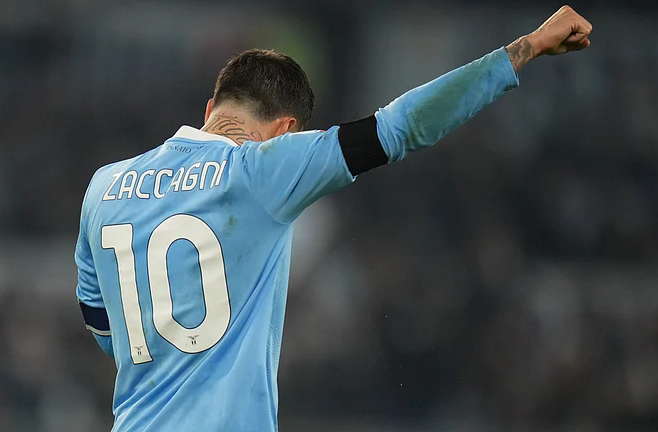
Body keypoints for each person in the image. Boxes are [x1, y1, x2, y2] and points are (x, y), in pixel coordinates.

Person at [75, 6, 592, 431]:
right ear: (286, 129)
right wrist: (527, 49)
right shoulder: (264, 169)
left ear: (211, 106)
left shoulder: (104, 186)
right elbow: (402, 127)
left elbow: (104, 329)